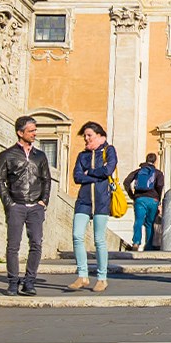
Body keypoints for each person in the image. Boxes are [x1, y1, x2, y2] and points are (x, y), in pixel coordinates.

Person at [0, 114, 51, 297]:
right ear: (20, 132)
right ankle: (12, 282)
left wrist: (44, 201)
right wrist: (9, 203)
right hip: (16, 205)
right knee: (13, 245)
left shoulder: (40, 156)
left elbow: (46, 179)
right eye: (31, 130)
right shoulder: (7, 155)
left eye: (35, 130)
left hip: (36, 206)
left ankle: (29, 281)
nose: (35, 133)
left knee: (36, 243)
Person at [69, 122, 116, 292]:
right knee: (77, 235)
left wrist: (89, 173)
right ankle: (82, 275)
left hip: (102, 200)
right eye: (85, 136)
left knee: (99, 240)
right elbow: (77, 177)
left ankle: (102, 278)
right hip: (84, 200)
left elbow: (108, 170)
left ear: (99, 135)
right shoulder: (83, 155)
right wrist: (95, 176)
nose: (86, 139)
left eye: (89, 135)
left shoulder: (108, 151)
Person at [123, 152, 165, 253]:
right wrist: (158, 198)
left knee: (138, 221)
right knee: (149, 223)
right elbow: (160, 185)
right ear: (155, 161)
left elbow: (126, 182)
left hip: (139, 199)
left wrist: (132, 195)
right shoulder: (158, 173)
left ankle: (136, 242)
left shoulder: (138, 171)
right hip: (153, 200)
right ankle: (148, 245)